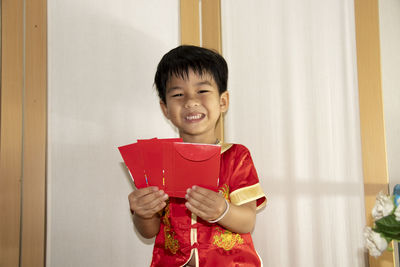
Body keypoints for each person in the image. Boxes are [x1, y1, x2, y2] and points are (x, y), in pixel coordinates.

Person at [128, 45, 267, 267]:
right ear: (165, 108)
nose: (191, 101)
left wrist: (223, 211)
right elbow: (149, 231)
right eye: (178, 94)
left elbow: (247, 221)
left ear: (223, 101)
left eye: (202, 91)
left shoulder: (236, 156)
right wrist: (142, 213)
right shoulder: (156, 162)